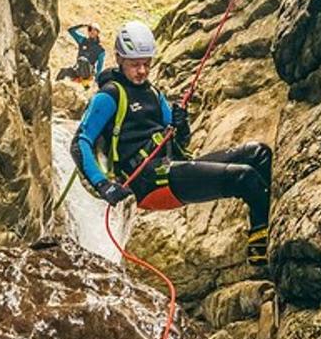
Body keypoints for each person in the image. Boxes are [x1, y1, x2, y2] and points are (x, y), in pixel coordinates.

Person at [70, 20, 272, 265]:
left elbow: (181, 141)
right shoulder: (109, 96)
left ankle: (267, 228)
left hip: (170, 167)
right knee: (244, 178)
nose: (142, 71)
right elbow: (80, 142)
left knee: (258, 153)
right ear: (120, 59)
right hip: (145, 180)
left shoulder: (154, 94)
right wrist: (104, 185)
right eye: (135, 64)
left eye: (147, 63)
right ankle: (261, 253)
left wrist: (181, 126)